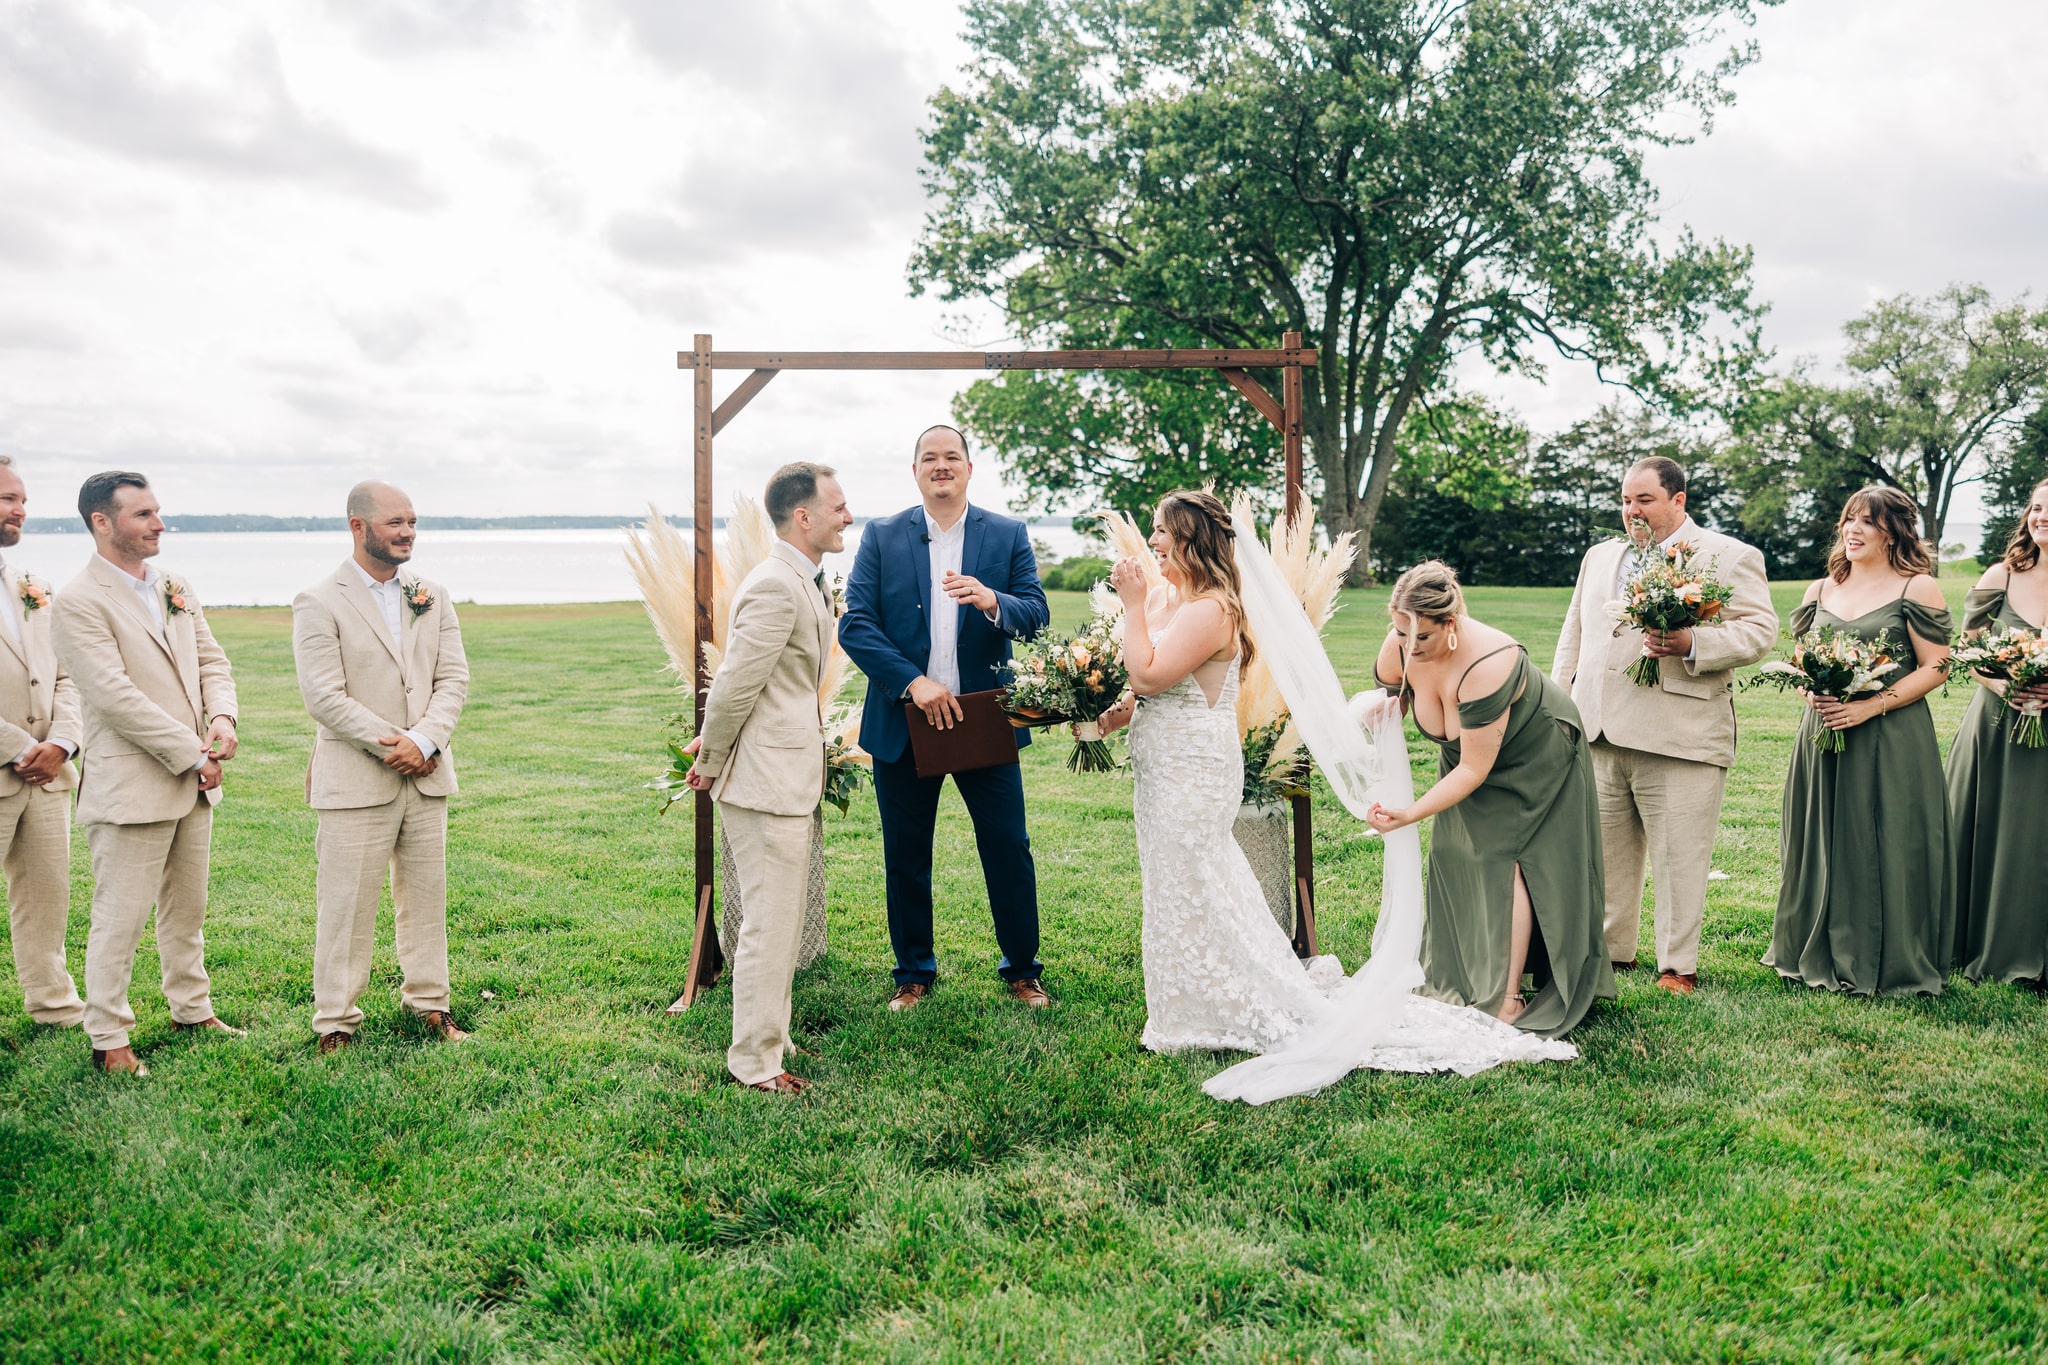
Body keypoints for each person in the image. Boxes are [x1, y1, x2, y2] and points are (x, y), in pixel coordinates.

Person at [1096, 491, 1337, 1051]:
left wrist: (1129, 605)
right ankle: (1186, 1004)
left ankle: (1220, 1005)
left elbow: (1152, 675)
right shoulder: (1165, 603)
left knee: (1198, 878)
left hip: (1196, 769)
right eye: (1152, 530)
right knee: (1173, 883)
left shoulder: (1213, 609)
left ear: (1192, 540)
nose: (1152, 541)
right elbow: (1142, 686)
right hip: (1158, 766)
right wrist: (1110, 714)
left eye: (1161, 531)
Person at [837, 424, 1051, 1011]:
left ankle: (1023, 971)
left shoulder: (1006, 534)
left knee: (1008, 846)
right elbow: (855, 624)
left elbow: (1036, 614)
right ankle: (913, 975)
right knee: (906, 852)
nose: (940, 465)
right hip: (904, 721)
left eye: (950, 456)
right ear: (915, 472)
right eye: (928, 458)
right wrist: (914, 682)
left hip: (984, 718)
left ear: (968, 468)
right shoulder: (882, 536)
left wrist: (992, 601)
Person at [1552, 457, 1778, 995]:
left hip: (1680, 732)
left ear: (1678, 500)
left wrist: (1692, 643)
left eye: (1644, 500)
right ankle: (1612, 953)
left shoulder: (1728, 556)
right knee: (1605, 854)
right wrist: (1562, 708)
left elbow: (1760, 631)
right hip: (1599, 730)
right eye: (1626, 500)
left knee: (1681, 857)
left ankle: (1678, 965)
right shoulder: (1599, 556)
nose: (1632, 511)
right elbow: (1574, 634)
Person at [1368, 562, 1613, 1036]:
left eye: (1423, 639)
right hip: (1471, 759)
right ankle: (1460, 974)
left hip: (1536, 756)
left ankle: (1508, 998)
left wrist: (1412, 813)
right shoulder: (1402, 639)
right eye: (1401, 633)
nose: (1410, 649)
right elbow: (1391, 693)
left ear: (1451, 625)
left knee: (1506, 858)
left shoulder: (1488, 663)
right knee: (1456, 851)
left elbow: (1474, 769)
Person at [52, 472, 239, 1078]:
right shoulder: (78, 600)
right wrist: (193, 753)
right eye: (142, 515)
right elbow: (112, 697)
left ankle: (192, 1009)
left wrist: (223, 716)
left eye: (158, 512)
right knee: (120, 916)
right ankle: (108, 1036)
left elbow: (211, 658)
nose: (159, 523)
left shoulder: (175, 585)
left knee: (188, 909)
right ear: (102, 523)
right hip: (132, 784)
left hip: (193, 781)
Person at [682, 461, 851, 1094]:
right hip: (763, 781)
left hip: (783, 772)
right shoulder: (775, 584)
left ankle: (770, 1035)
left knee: (776, 921)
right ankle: (755, 1063)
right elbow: (732, 684)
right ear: (802, 517)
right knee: (767, 924)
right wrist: (711, 758)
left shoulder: (804, 578)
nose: (847, 516)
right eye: (837, 507)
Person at [291, 481, 471, 1052]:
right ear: (358, 526)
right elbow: (323, 696)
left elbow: (453, 679)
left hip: (426, 774)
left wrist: (426, 740)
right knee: (346, 903)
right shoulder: (319, 600)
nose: (408, 532)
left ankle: (429, 1004)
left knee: (427, 897)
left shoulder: (432, 594)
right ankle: (336, 1020)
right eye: (395, 522)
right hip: (356, 778)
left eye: (412, 521)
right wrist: (395, 744)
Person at [1767, 486, 1953, 996]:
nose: (1852, 529)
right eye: (1849, 519)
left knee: (1886, 838)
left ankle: (1886, 951)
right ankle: (1812, 941)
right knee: (1822, 835)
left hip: (1891, 734)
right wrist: (1813, 695)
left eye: (1866, 522)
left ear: (1892, 530)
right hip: (1823, 731)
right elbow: (1805, 664)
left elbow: (1938, 665)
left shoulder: (1918, 589)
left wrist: (1870, 705)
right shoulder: (1819, 590)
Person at [1946, 477, 2048, 986]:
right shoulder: (2001, 576)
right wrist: (2005, 688)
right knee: (1989, 829)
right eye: (2035, 507)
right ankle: (1974, 941)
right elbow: (1967, 649)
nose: (2041, 517)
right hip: (1994, 723)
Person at [0, 456, 85, 1030]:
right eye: (8, 498)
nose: (20, 509)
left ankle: (54, 1006)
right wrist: (18, 746)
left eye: (22, 499)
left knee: (46, 896)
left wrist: (64, 740)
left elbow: (66, 674)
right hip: (14, 762)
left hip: (50, 772)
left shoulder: (32, 586)